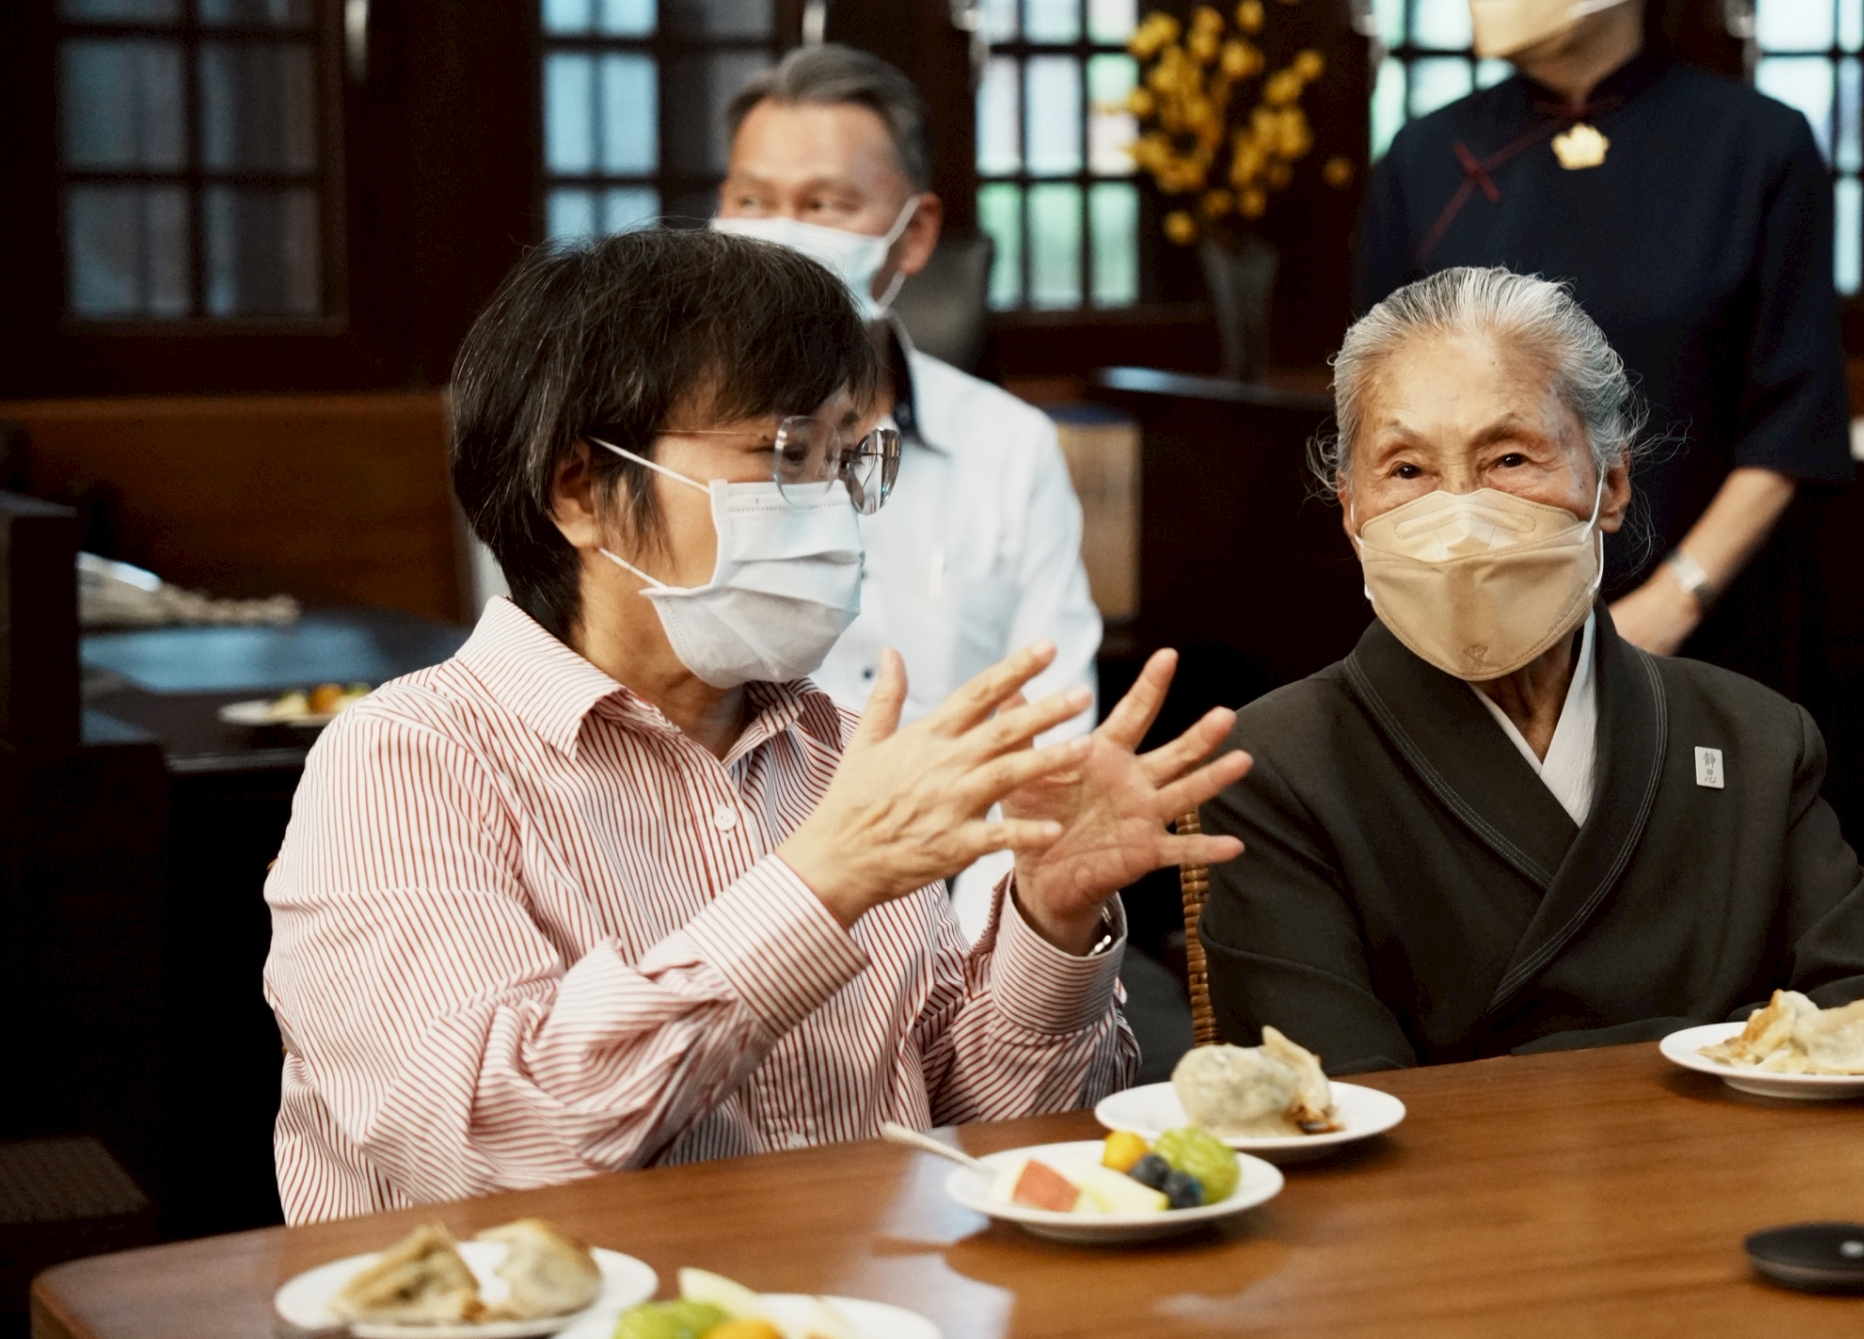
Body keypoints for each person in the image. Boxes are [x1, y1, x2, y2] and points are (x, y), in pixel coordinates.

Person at [262, 229, 1250, 1223]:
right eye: (784, 454)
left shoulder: (840, 750)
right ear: (581, 491)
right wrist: (822, 881)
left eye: (841, 457)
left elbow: (976, 1138)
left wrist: (1048, 918)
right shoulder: (405, 762)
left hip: (857, 1300)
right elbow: (492, 1146)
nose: (830, 507)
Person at [1197, 267, 1864, 1074]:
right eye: (1407, 470)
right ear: (1349, 509)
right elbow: (1339, 1094)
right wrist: (1724, 1045)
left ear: (1609, 483)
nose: (1461, 515)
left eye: (1509, 457)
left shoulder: (1757, 738)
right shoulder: (1276, 766)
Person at [715, 47, 1105, 931]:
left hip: (963, 899)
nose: (780, 232)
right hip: (741, 903)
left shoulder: (1009, 447)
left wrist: (976, 950)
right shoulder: (673, 452)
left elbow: (1046, 732)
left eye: (824, 204)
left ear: (915, 234)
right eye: (752, 201)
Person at [1355, 0, 1852, 692]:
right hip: (1466, 633)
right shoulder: (1425, 156)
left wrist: (1673, 602)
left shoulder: (1756, 144)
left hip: (1702, 633)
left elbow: (1793, 421)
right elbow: (1377, 415)